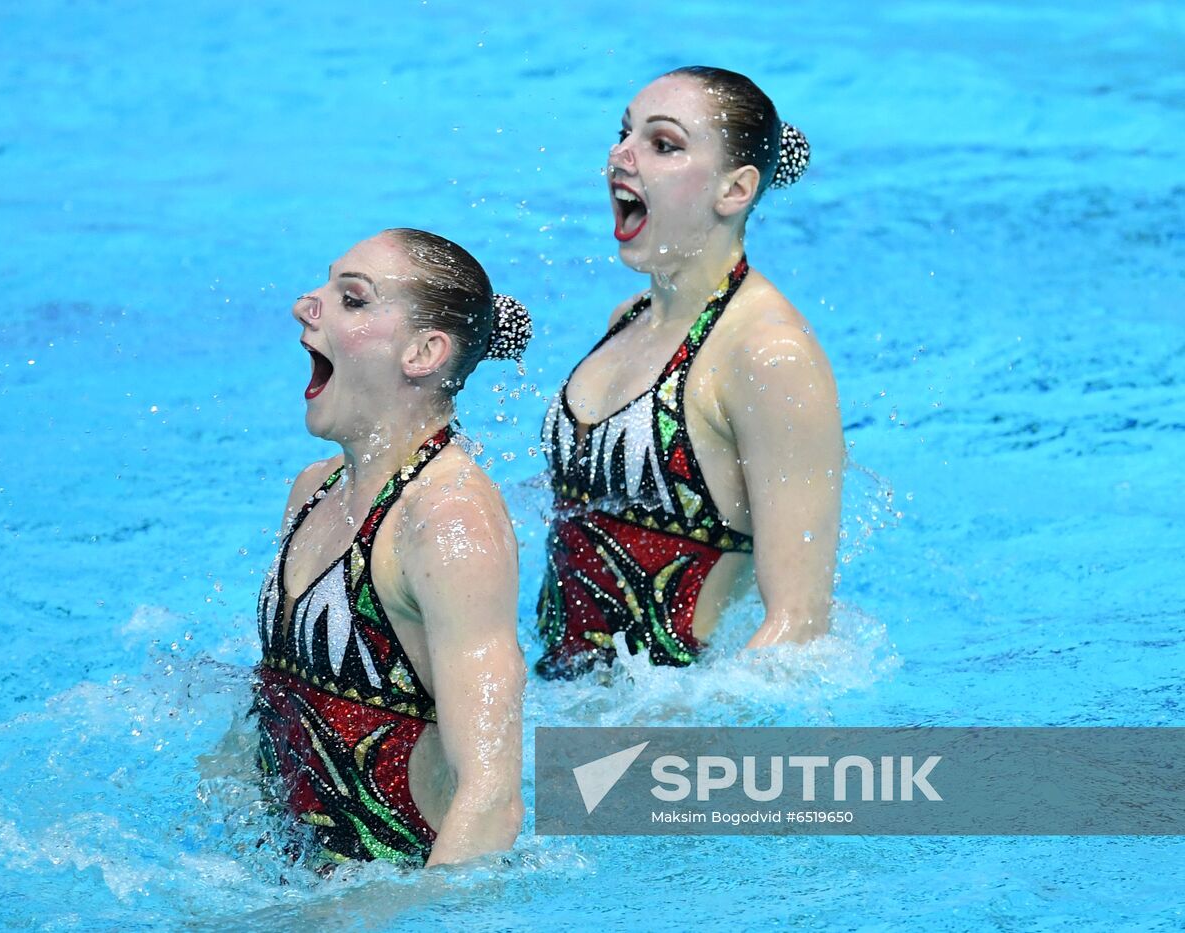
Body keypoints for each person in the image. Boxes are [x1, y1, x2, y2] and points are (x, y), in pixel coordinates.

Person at [536, 66, 842, 679]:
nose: (620, 156)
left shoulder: (767, 357)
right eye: (624, 134)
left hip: (668, 720)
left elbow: (801, 629)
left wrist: (667, 739)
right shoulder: (630, 320)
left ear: (735, 191)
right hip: (564, 690)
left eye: (663, 144)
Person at [251, 229, 532, 868]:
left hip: (393, 896)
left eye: (352, 300)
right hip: (293, 878)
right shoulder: (312, 492)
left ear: (423, 351)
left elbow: (491, 803)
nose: (305, 304)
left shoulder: (448, 523)